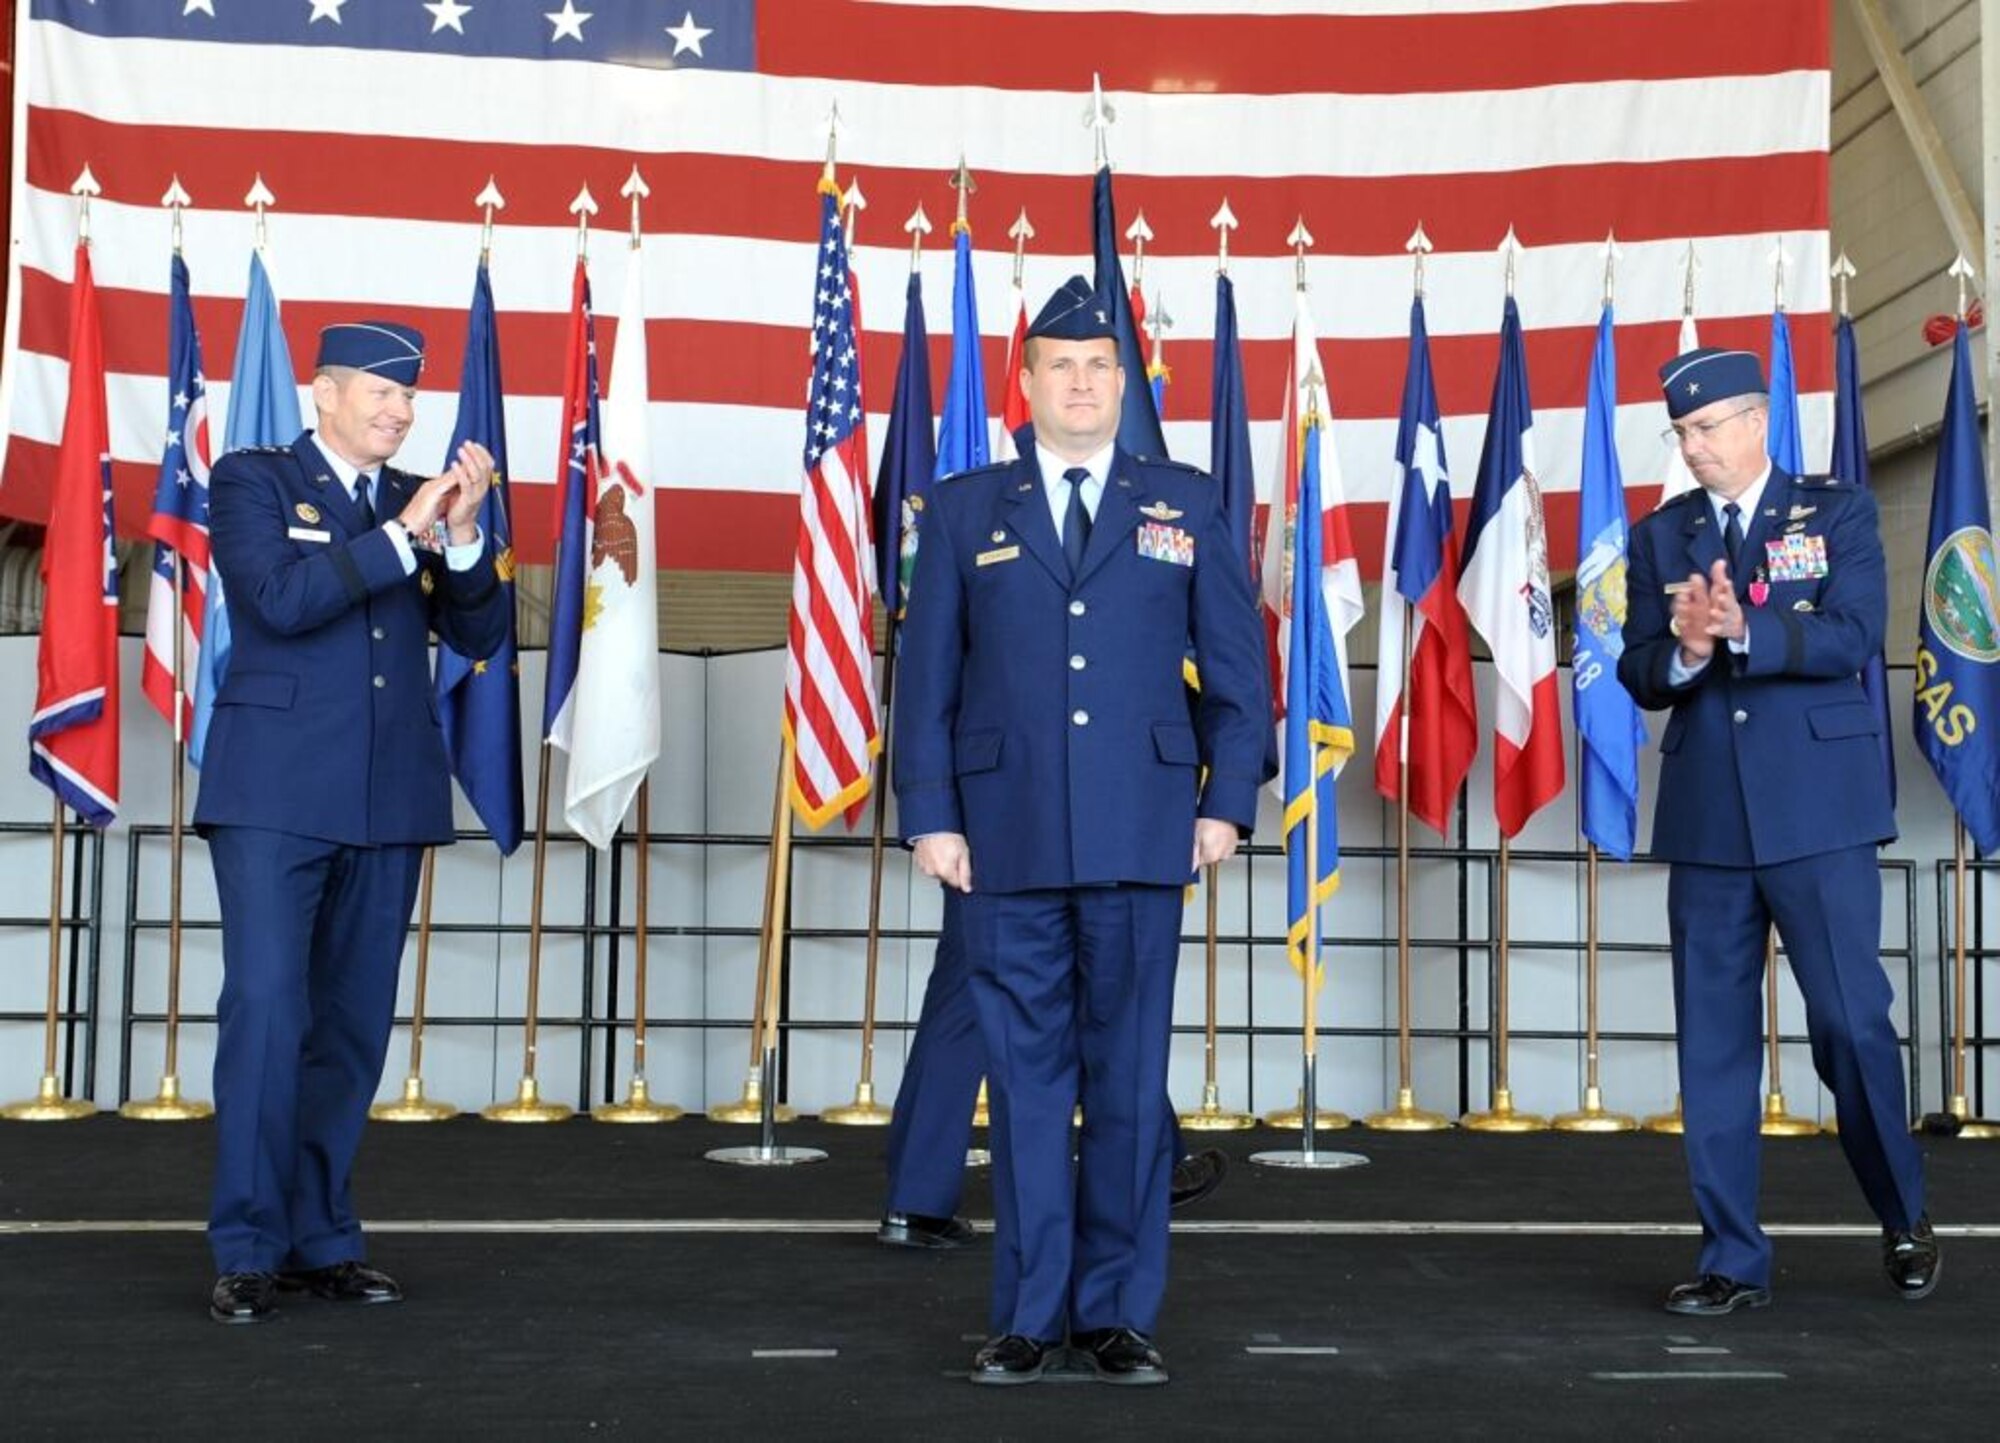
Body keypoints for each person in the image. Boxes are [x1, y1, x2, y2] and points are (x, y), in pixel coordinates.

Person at [893, 276, 1272, 1385]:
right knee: (1022, 1090)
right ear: (1025, 381)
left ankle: (1113, 1312)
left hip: (1144, 831)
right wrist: (930, 816)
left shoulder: (1185, 500)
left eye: (1100, 366)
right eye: (1060, 364)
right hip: (1000, 838)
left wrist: (1224, 800)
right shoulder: (966, 508)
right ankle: (1024, 1315)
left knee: (1124, 1083)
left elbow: (1237, 676)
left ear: (1125, 382)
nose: (1080, 382)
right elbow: (926, 685)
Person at [195, 321, 512, 1324]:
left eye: (408, 399)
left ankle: (321, 1236)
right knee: (267, 1012)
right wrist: (404, 534)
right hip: (276, 797)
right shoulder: (253, 478)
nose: (399, 412)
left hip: (386, 796)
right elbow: (279, 602)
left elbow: (481, 634)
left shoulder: (421, 504)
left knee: (348, 1027)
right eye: (379, 395)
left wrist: (461, 538)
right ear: (322, 393)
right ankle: (246, 1243)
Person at [1619, 346, 1938, 1316]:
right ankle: (1729, 1261)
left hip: (1817, 813)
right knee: (1712, 1047)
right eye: (1679, 432)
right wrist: (1680, 646)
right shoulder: (1659, 534)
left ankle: (1901, 1214)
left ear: (1755, 423)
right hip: (1709, 818)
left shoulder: (1832, 512)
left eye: (1705, 428)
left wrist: (1745, 633)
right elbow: (1635, 670)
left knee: (1847, 1024)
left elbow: (1851, 632)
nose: (1692, 446)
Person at [878, 898, 1229, 1252]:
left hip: (989, 852)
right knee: (1098, 984)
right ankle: (1146, 1169)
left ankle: (917, 1197)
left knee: (967, 991)